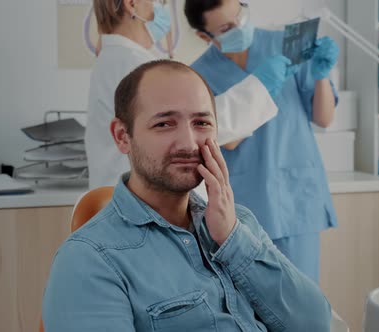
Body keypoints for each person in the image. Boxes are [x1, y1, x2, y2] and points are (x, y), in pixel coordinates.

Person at [42, 60, 332, 331]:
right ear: (122, 136)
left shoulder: (238, 223)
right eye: (164, 124)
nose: (189, 143)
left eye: (202, 123)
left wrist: (232, 240)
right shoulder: (87, 260)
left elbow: (315, 323)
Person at [184, 0, 340, 282]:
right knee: (250, 306)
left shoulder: (287, 44)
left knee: (302, 304)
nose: (240, 27)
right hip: (244, 202)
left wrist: (321, 75)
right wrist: (259, 87)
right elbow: (227, 139)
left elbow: (324, 118)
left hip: (296, 196)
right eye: (227, 28)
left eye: (240, 16)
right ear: (204, 36)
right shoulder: (196, 76)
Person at [86, 0, 293, 189]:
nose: (162, 9)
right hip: (143, 201)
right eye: (159, 1)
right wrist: (260, 87)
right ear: (132, 4)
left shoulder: (118, 58)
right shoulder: (132, 64)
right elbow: (195, 124)